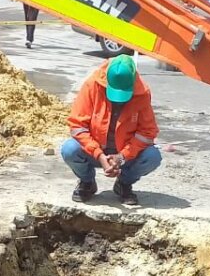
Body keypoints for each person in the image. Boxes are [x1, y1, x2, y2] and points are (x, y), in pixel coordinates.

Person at [61, 55, 161, 207]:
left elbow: (147, 133)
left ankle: (124, 184)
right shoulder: (92, 86)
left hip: (124, 154)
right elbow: (77, 125)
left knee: (152, 156)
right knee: (69, 149)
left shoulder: (142, 93)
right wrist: (99, 155)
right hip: (94, 150)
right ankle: (87, 183)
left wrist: (122, 156)